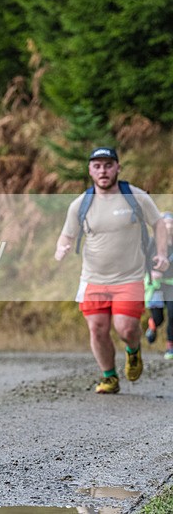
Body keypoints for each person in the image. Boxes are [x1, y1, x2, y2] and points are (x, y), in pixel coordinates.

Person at [55, 147, 169, 394]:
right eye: (97, 166)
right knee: (97, 328)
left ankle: (133, 349)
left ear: (118, 167)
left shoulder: (135, 196)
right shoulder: (80, 204)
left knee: (126, 328)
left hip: (130, 277)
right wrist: (61, 248)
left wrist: (160, 253)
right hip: (93, 279)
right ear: (90, 171)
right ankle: (109, 377)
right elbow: (67, 234)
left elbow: (158, 223)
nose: (103, 171)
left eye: (108, 165)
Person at [144, 211, 173, 359]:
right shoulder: (152, 243)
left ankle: (170, 347)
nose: (168, 227)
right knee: (159, 318)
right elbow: (143, 261)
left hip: (171, 285)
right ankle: (152, 325)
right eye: (166, 224)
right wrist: (151, 273)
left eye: (171, 224)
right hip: (156, 284)